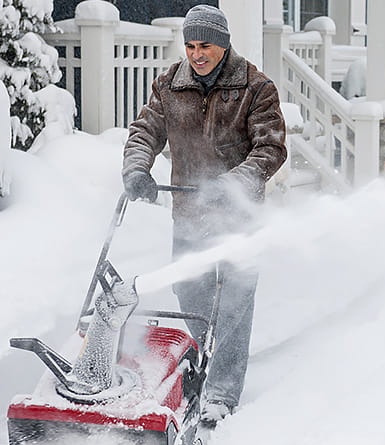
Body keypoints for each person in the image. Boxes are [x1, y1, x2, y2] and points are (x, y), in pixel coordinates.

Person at [121, 4, 287, 423]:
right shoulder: (169, 86)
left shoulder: (255, 87)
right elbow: (145, 131)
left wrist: (236, 182)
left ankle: (221, 394)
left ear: (224, 44)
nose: (196, 54)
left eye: (205, 46)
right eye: (190, 45)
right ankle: (205, 361)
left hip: (239, 220)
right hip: (190, 213)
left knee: (233, 304)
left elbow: (271, 147)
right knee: (190, 295)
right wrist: (137, 169)